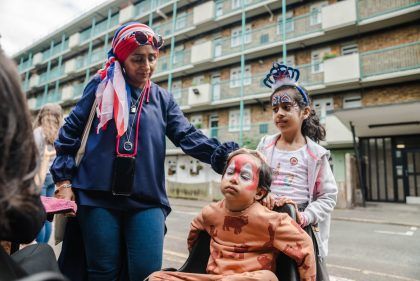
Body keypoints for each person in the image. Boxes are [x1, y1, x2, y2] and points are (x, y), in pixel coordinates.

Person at [51, 22, 238, 281]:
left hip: (146, 198)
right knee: (101, 271)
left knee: (147, 272)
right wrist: (63, 180)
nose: (147, 66)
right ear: (122, 58)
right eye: (138, 59)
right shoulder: (99, 87)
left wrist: (227, 155)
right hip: (96, 195)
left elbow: (187, 135)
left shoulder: (163, 99)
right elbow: (70, 132)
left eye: (152, 58)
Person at [148, 148, 316, 281]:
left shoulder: (272, 220)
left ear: (259, 192)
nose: (234, 179)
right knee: (157, 277)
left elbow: (305, 246)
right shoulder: (209, 213)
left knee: (268, 277)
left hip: (251, 278)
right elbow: (195, 240)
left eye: (244, 176)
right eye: (230, 172)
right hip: (214, 277)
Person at [257, 63, 338, 281]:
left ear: (305, 112)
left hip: (300, 227)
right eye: (275, 109)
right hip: (265, 224)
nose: (279, 114)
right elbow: (254, 180)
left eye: (286, 107)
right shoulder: (264, 146)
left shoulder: (315, 155)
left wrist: (305, 216)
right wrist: (262, 196)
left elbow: (328, 196)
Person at [0, 45, 63, 280]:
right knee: (43, 217)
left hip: (37, 176)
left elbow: (32, 159)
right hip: (45, 179)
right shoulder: (59, 134)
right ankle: (39, 241)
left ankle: (36, 240)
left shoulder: (36, 133)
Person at [33, 103, 63, 244]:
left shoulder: (38, 132)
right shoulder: (61, 132)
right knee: (48, 215)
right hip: (53, 177)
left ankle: (40, 247)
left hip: (40, 177)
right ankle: (44, 248)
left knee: (38, 216)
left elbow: (31, 157)